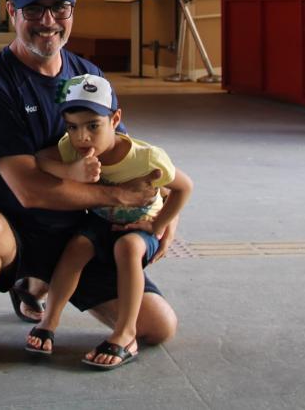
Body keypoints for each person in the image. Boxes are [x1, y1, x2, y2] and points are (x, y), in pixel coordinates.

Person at [0, 0, 178, 370]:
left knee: (157, 327)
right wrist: (117, 197)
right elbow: (29, 190)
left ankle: (36, 283)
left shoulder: (87, 73)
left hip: (74, 230)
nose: (47, 21)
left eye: (58, 8)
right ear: (12, 12)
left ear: (72, 11)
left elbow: (124, 154)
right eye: (33, 9)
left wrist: (162, 214)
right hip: (8, 221)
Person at [23, 73, 193, 369]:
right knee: (76, 247)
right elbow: (40, 160)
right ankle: (48, 322)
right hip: (101, 220)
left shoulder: (146, 158)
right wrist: (70, 171)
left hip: (138, 226)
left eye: (93, 126)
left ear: (115, 120)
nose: (82, 137)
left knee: (127, 248)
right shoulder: (71, 149)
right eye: (72, 127)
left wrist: (158, 225)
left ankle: (125, 334)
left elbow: (184, 187)